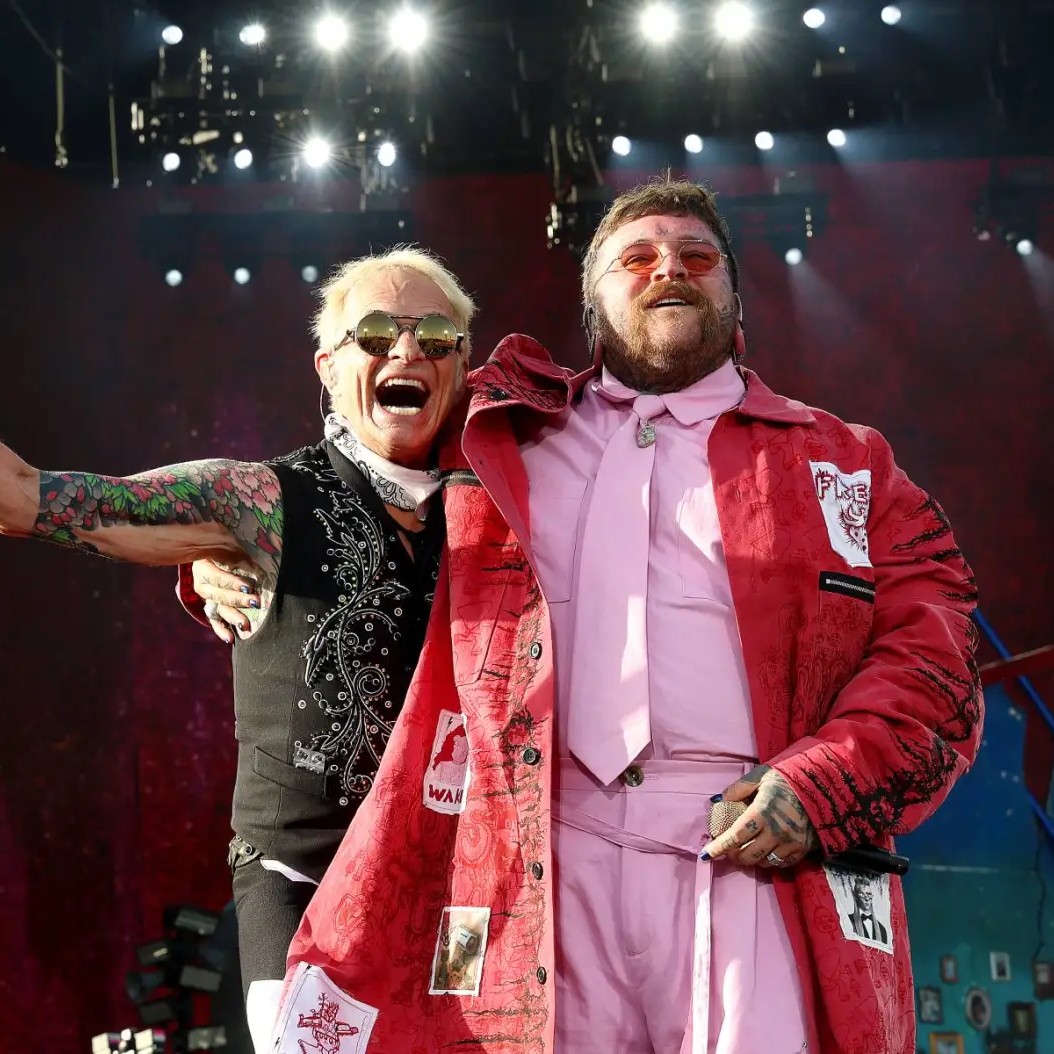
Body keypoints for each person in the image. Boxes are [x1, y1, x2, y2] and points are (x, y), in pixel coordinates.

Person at [200, 178, 981, 1054]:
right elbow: (351, 480)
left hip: (750, 845)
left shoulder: (845, 462)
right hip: (538, 859)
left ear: (736, 298)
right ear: (592, 307)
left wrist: (823, 784)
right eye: (637, 259)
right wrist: (227, 555)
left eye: (697, 257)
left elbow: (937, 657)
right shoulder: (500, 433)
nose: (669, 270)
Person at [0, 247, 475, 1053]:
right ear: (328, 368)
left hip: (460, 893)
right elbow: (29, 499)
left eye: (434, 335)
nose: (406, 349)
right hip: (304, 886)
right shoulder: (261, 502)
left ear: (462, 368)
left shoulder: (502, 509)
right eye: (375, 334)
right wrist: (202, 561)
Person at [846, 874, 889, 943]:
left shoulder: (882, 929)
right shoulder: (848, 921)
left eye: (869, 894)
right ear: (856, 897)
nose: (866, 898)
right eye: (862, 894)